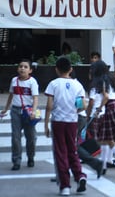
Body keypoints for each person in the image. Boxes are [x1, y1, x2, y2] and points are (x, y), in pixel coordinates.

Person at [44, 57, 87, 196]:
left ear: (56, 69)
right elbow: (81, 106)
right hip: (72, 121)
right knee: (72, 150)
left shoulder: (53, 84)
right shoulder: (77, 85)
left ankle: (65, 186)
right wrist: (73, 111)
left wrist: (45, 124)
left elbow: (49, 106)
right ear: (71, 69)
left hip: (58, 121)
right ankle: (79, 175)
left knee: (60, 152)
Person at [0, 59, 39, 171]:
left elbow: (36, 98)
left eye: (25, 67)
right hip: (16, 111)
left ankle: (31, 157)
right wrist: (6, 108)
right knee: (15, 137)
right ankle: (16, 160)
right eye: (20, 66)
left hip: (28, 112)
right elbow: (11, 96)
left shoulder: (32, 82)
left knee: (31, 137)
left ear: (30, 70)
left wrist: (33, 111)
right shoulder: (14, 80)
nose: (22, 68)